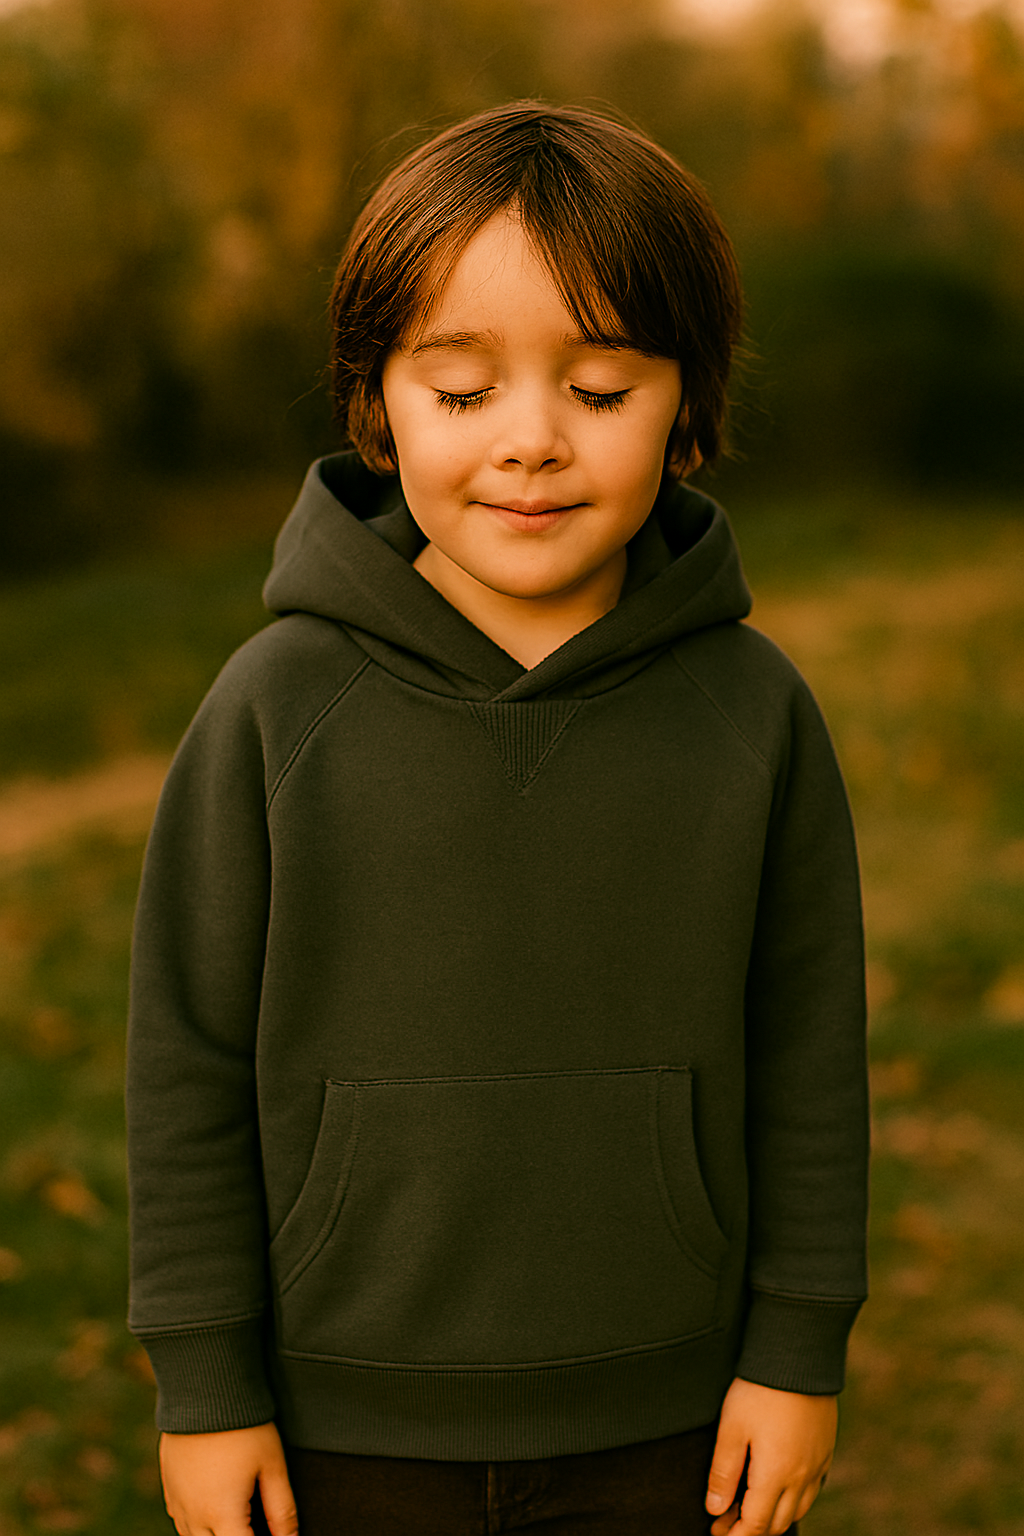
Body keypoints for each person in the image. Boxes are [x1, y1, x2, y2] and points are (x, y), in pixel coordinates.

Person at [126, 101, 869, 1536]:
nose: (530, 442)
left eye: (600, 391)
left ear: (690, 407)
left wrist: (796, 1354)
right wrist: (206, 1383)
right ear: (377, 406)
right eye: (462, 394)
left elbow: (810, 1054)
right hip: (340, 1426)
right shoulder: (275, 708)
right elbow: (187, 1067)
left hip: (672, 1422)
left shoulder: (753, 715)